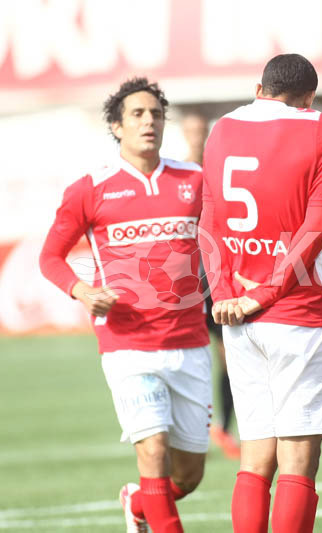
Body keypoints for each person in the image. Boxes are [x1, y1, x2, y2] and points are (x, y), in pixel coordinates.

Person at [39, 78, 211, 533]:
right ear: (116, 126)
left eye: (155, 113)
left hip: (190, 342)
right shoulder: (90, 189)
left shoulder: (194, 180)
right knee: (152, 451)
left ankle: (138, 503)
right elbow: (50, 258)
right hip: (127, 345)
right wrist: (81, 291)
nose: (149, 122)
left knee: (189, 475)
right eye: (137, 114)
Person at [199, 53, 322, 533]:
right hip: (298, 313)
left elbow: (210, 224)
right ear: (307, 97)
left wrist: (224, 294)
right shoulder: (318, 127)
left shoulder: (221, 128)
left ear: (259, 87)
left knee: (255, 459)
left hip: (238, 317)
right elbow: (318, 226)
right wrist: (264, 294)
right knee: (298, 463)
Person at [181, 111, 240, 460]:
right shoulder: (180, 175)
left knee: (228, 357)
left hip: (215, 274)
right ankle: (190, 425)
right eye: (191, 130)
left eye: (201, 130)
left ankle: (225, 427)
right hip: (188, 279)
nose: (196, 136)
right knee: (188, 355)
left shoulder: (218, 170)